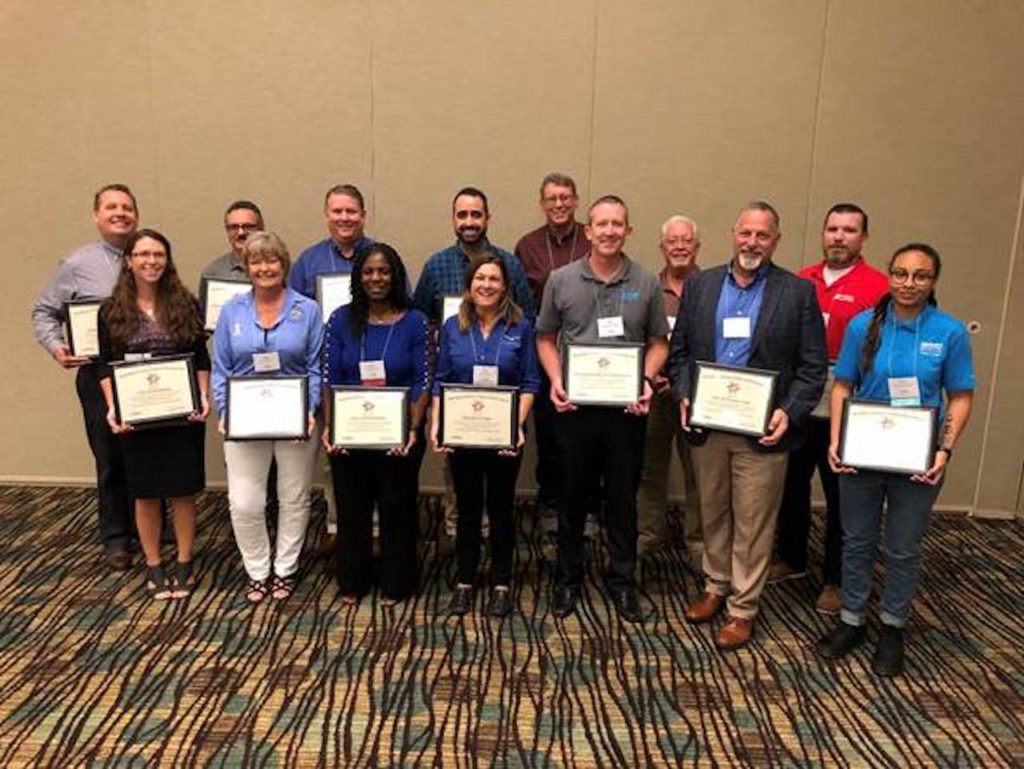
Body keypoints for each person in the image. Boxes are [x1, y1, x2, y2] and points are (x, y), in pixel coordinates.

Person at [667, 201, 826, 650]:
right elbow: (679, 355)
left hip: (762, 430)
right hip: (709, 425)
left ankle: (743, 608)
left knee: (754, 521)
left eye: (762, 235)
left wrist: (789, 412)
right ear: (732, 234)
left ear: (776, 240)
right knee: (713, 510)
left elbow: (813, 368)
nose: (752, 242)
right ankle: (715, 585)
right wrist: (683, 394)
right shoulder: (700, 287)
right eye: (745, 233)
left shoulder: (797, 293)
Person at [817, 243, 974, 677]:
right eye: (901, 274)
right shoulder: (863, 325)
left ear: (933, 281)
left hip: (918, 459)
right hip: (862, 453)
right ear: (889, 276)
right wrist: (836, 440)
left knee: (903, 548)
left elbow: (960, 396)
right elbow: (842, 385)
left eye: (920, 275)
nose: (909, 283)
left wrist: (944, 450)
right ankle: (852, 619)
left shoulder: (950, 332)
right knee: (857, 541)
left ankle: (892, 626)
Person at [537, 195, 670, 623]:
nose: (610, 231)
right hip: (575, 409)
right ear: (588, 231)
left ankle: (622, 580)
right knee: (572, 496)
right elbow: (545, 337)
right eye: (602, 224)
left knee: (621, 499)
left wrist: (646, 380)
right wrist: (557, 380)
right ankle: (568, 577)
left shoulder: (647, 282)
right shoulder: (561, 280)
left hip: (626, 411)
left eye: (618, 224)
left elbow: (659, 343)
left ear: (628, 231)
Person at [770, 204, 888, 615]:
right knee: (791, 483)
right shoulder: (802, 279)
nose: (839, 237)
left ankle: (837, 579)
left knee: (842, 494)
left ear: (863, 238)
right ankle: (792, 558)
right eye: (833, 229)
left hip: (848, 399)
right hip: (799, 396)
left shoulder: (878, 287)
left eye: (849, 230)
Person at [413, 187, 535, 549]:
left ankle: (491, 541)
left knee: (498, 489)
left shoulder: (509, 263)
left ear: (487, 218)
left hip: (504, 391)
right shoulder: (436, 265)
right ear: (453, 219)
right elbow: (421, 316)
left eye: (476, 215)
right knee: (458, 473)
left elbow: (526, 315)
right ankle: (458, 532)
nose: (469, 222)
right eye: (462, 215)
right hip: (457, 383)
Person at [31, 184, 139, 571]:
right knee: (110, 457)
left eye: (127, 207)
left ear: (136, 216)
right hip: (98, 375)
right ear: (96, 216)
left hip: (144, 373)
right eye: (111, 207)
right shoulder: (77, 264)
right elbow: (43, 313)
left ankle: (148, 528)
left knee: (146, 454)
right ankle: (116, 537)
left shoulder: (147, 257)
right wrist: (57, 348)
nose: (120, 213)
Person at [212, 232, 324, 603]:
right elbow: (220, 368)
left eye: (272, 260)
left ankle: (285, 568)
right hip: (244, 420)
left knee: (293, 496)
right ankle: (257, 569)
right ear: (246, 268)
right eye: (256, 262)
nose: (264, 268)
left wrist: (309, 410)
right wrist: (225, 411)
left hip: (295, 419)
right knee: (245, 500)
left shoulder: (307, 310)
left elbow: (314, 367)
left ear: (284, 264)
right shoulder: (232, 311)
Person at [97, 229, 209, 598]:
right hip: (138, 416)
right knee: (144, 493)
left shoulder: (186, 304)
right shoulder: (111, 312)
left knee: (182, 490)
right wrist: (115, 407)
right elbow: (105, 366)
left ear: (168, 259)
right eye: (143, 254)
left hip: (181, 416)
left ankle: (184, 560)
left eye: (158, 254)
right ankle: (153, 563)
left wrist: (203, 396)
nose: (151, 261)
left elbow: (200, 359)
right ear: (129, 260)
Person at [431, 254, 540, 617]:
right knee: (466, 508)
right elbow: (441, 379)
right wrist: (437, 425)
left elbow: (530, 381)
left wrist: (515, 428)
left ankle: (501, 582)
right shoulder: (453, 326)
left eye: (494, 279)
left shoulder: (521, 326)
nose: (487, 285)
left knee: (501, 508)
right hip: (462, 433)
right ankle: (465, 579)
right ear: (469, 284)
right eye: (480, 278)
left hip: (504, 433)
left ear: (505, 286)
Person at [322, 244, 430, 605]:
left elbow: (423, 380)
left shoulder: (415, 321)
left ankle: (397, 581)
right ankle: (353, 579)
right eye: (368, 271)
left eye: (384, 271)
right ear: (358, 277)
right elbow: (329, 376)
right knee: (352, 507)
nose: (376, 278)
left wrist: (412, 430)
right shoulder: (339, 319)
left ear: (396, 275)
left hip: (399, 436)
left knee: (397, 506)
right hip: (350, 434)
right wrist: (331, 427)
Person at [290, 184, 375, 557]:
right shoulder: (308, 263)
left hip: (376, 373)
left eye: (351, 211)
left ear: (363, 215)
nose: (344, 218)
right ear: (327, 215)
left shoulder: (378, 257)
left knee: (375, 449)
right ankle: (337, 524)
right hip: (331, 372)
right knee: (334, 452)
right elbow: (293, 316)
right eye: (337, 211)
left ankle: (374, 527)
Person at [514, 173, 590, 534]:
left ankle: (588, 504)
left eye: (565, 197)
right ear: (542, 204)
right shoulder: (527, 246)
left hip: (588, 353)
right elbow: (516, 302)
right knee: (549, 431)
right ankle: (550, 500)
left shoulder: (593, 238)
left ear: (575, 201)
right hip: (543, 351)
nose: (559, 204)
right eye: (551, 199)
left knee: (587, 433)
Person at [636, 215, 703, 564]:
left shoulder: (711, 287)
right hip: (655, 393)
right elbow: (639, 338)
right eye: (672, 241)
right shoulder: (648, 287)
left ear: (697, 246)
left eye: (686, 240)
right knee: (650, 467)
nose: (679, 246)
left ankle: (698, 542)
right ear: (662, 247)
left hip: (696, 397)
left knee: (698, 470)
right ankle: (649, 533)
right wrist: (651, 376)